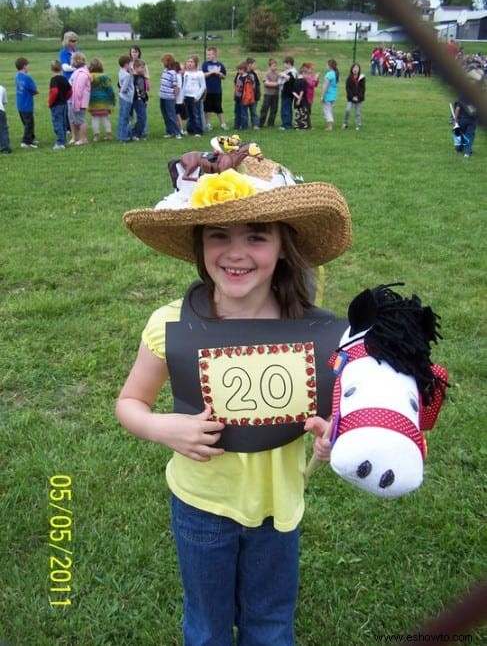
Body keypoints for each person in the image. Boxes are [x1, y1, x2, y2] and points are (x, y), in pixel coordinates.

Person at [117, 153, 352, 646]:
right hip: (201, 506)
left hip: (278, 508)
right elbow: (129, 405)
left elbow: (329, 418)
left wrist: (333, 438)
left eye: (256, 235)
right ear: (198, 246)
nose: (235, 252)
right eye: (218, 235)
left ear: (284, 247)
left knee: (270, 624)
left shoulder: (316, 334)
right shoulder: (170, 324)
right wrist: (165, 428)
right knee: (206, 626)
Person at [452, 63, 484, 158]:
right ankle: (466, 151)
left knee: (461, 134)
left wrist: (455, 119)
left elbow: (458, 107)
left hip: (463, 118)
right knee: (469, 135)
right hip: (473, 118)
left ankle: (460, 149)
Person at [201, 46, 229, 131]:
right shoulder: (205, 64)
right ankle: (208, 124)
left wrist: (220, 74)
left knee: (218, 107)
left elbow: (224, 76)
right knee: (207, 108)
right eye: (207, 54)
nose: (208, 56)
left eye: (210, 54)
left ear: (215, 54)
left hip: (217, 90)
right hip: (207, 90)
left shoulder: (220, 64)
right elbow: (202, 75)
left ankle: (223, 124)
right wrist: (212, 72)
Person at [88, 57, 115, 142]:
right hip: (104, 102)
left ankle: (96, 136)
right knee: (105, 118)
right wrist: (112, 99)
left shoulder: (89, 77)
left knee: (95, 119)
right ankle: (109, 134)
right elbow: (109, 89)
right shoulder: (104, 77)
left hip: (93, 101)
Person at [15, 56, 39, 148]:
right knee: (29, 123)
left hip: (20, 104)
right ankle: (26, 142)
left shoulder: (17, 77)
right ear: (24, 66)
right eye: (28, 65)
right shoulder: (27, 78)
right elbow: (35, 90)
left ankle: (31, 138)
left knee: (26, 122)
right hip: (27, 104)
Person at [48, 59, 72, 150]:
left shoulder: (54, 80)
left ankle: (60, 142)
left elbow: (54, 92)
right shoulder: (64, 79)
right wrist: (65, 98)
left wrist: (50, 102)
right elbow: (70, 91)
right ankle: (63, 140)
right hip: (64, 103)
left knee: (57, 122)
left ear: (51, 69)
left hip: (56, 104)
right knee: (63, 123)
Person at [68, 52, 91, 146]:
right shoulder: (76, 72)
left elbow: (78, 90)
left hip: (78, 101)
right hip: (71, 100)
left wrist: (76, 103)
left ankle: (83, 138)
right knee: (72, 119)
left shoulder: (82, 73)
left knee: (81, 120)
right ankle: (74, 137)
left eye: (72, 59)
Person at [181, 55, 206, 137]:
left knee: (196, 114)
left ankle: (198, 130)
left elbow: (203, 86)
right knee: (189, 114)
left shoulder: (199, 74)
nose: (190, 63)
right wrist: (183, 95)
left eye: (192, 62)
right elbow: (184, 84)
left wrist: (197, 96)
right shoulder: (186, 73)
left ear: (196, 63)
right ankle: (190, 129)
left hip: (195, 97)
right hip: (187, 96)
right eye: (188, 62)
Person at [159, 53, 181, 140]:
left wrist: (175, 97)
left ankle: (177, 132)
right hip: (162, 96)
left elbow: (175, 86)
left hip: (169, 97)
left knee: (171, 115)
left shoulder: (173, 73)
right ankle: (169, 131)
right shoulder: (164, 71)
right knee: (165, 115)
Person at [342, 62, 365, 131]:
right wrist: (352, 97)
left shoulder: (362, 78)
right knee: (347, 110)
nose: (355, 69)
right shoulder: (349, 78)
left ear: (359, 69)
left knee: (358, 112)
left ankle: (358, 125)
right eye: (354, 68)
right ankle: (345, 123)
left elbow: (362, 88)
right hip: (350, 98)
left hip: (359, 98)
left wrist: (358, 96)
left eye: (357, 68)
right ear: (351, 69)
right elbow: (348, 89)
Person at [117, 55, 134, 142]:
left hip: (122, 98)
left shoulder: (120, 72)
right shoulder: (127, 75)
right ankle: (123, 137)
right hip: (127, 98)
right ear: (126, 64)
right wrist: (122, 90)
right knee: (125, 117)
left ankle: (122, 135)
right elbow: (124, 88)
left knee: (122, 116)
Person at [259, 58, 279, 128]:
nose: (275, 67)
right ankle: (260, 123)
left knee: (274, 109)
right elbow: (266, 83)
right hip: (267, 94)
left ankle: (271, 123)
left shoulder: (278, 74)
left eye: (276, 66)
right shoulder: (267, 74)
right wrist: (277, 84)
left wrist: (276, 84)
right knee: (265, 108)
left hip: (275, 94)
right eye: (274, 66)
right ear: (270, 66)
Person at [131, 59, 149, 141]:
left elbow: (144, 89)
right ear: (136, 68)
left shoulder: (141, 77)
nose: (144, 69)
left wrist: (146, 99)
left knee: (143, 117)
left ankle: (138, 133)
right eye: (142, 68)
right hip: (137, 99)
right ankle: (135, 134)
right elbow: (138, 90)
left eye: (144, 68)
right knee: (142, 117)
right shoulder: (134, 78)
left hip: (142, 99)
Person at [278, 56, 297, 130]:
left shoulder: (293, 72)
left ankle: (287, 124)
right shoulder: (287, 71)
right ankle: (284, 123)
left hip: (288, 93)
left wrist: (284, 75)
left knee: (286, 108)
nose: (284, 65)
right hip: (284, 92)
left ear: (288, 63)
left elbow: (292, 80)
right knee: (284, 108)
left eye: (285, 64)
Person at [322, 58, 339, 131]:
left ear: (330, 66)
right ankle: (329, 125)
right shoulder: (335, 73)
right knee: (330, 109)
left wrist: (322, 95)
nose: (326, 66)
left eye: (327, 64)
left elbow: (326, 85)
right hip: (333, 95)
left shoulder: (329, 74)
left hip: (328, 95)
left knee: (327, 110)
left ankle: (330, 126)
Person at [292, 66, 310, 130]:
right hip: (303, 100)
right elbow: (302, 91)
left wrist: (297, 98)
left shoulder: (296, 81)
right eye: (306, 74)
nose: (307, 75)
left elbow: (293, 91)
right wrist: (300, 99)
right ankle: (304, 125)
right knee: (303, 113)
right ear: (303, 73)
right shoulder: (304, 81)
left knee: (297, 113)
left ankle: (297, 126)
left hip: (296, 99)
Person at [245, 57, 261, 129]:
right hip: (246, 96)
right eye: (254, 64)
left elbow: (257, 84)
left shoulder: (254, 74)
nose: (255, 66)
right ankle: (244, 124)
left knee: (253, 111)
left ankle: (255, 124)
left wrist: (257, 94)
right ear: (249, 64)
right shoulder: (244, 73)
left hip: (253, 96)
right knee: (244, 111)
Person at [0, 81, 12, 154]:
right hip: (0, 110)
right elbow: (4, 102)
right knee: (3, 129)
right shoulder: (2, 88)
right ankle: (5, 148)